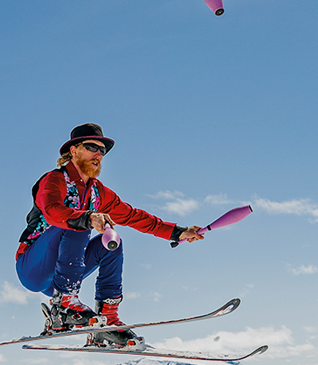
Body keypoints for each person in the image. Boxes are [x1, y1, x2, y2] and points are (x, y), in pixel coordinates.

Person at [15, 123, 204, 348]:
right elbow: (53, 211)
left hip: (59, 277)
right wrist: (88, 217)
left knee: (112, 243)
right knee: (80, 222)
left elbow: (134, 216)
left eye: (102, 150)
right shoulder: (54, 180)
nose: (98, 154)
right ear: (73, 150)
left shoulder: (97, 192)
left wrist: (177, 232)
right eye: (91, 147)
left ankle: (106, 321)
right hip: (33, 268)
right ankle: (64, 306)